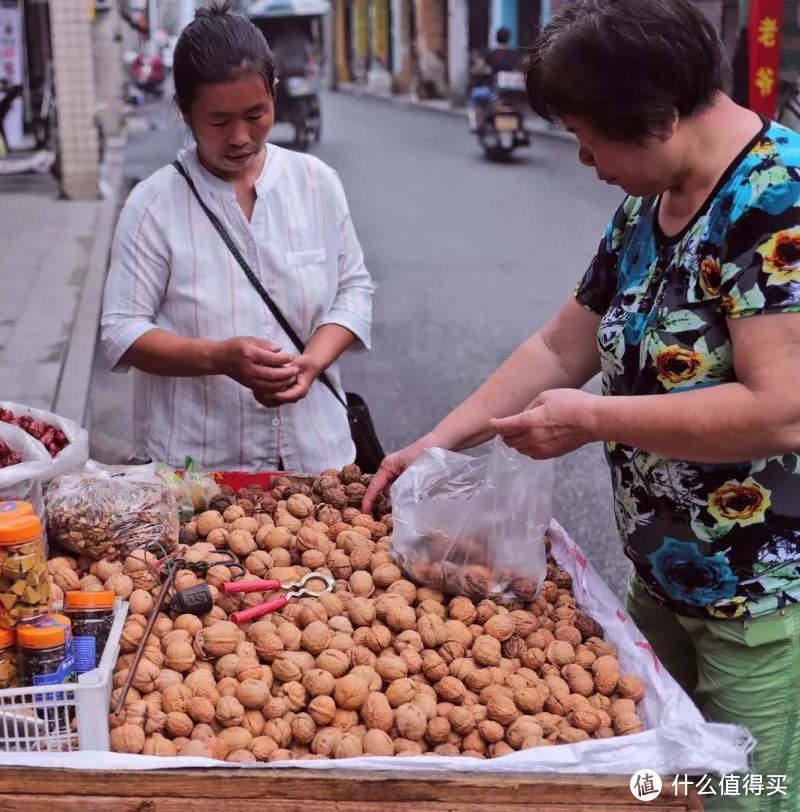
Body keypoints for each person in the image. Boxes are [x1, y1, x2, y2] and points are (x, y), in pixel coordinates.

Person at [365, 0, 799, 805]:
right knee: (657, 790)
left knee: (750, 794)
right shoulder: (647, 205)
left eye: (587, 134)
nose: (582, 157)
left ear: (660, 117)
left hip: (758, 601)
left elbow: (782, 411)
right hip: (661, 578)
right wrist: (434, 443)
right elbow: (557, 348)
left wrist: (592, 419)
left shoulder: (776, 201)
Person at [100, 2, 374, 472]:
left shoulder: (316, 182)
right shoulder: (154, 204)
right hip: (200, 471)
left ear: (275, 94)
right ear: (184, 111)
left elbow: (354, 291)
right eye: (219, 121)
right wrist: (220, 358)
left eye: (257, 113)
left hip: (316, 459)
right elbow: (121, 332)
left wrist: (312, 362)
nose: (241, 137)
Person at [469, 27, 519, 132]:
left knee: (475, 95)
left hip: (494, 90)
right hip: (512, 91)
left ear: (496, 38)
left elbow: (478, 68)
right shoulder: (515, 54)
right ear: (508, 39)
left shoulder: (491, 53)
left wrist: (473, 71)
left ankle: (479, 125)